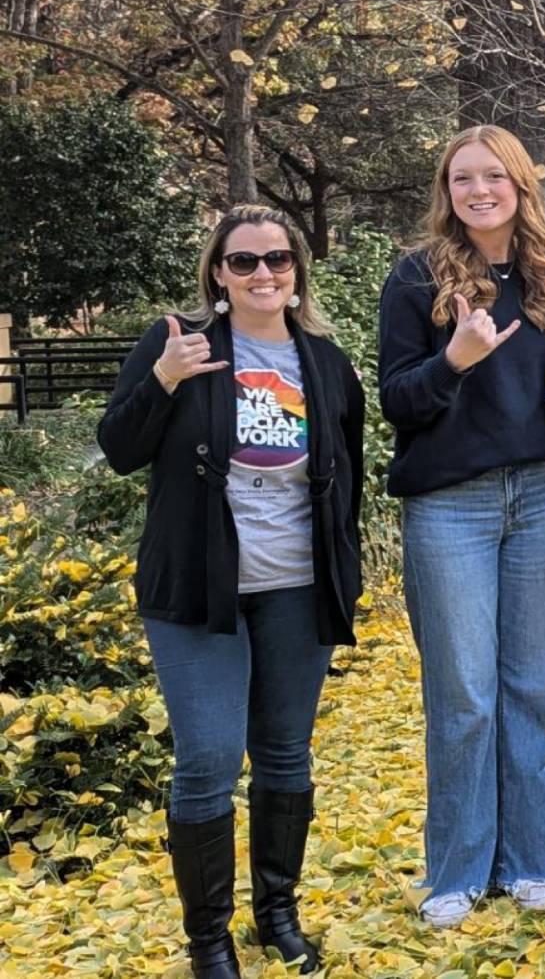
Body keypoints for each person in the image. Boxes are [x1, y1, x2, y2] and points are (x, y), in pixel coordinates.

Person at [99, 205, 365, 977]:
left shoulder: (324, 361)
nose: (262, 275)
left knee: (284, 755)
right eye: (243, 262)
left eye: (277, 260)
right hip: (197, 591)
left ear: (296, 272)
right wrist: (162, 380)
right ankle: (208, 940)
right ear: (218, 272)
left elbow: (344, 472)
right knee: (210, 759)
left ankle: (276, 913)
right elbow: (119, 448)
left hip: (294, 589)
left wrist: (340, 568)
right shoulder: (180, 345)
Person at [377, 124, 545, 925]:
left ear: (522, 184)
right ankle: (456, 872)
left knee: (535, 690)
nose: (479, 190)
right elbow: (396, 400)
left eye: (494, 176)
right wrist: (453, 359)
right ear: (447, 190)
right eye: (463, 178)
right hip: (450, 503)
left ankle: (532, 862)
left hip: (540, 497)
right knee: (463, 694)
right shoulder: (416, 277)